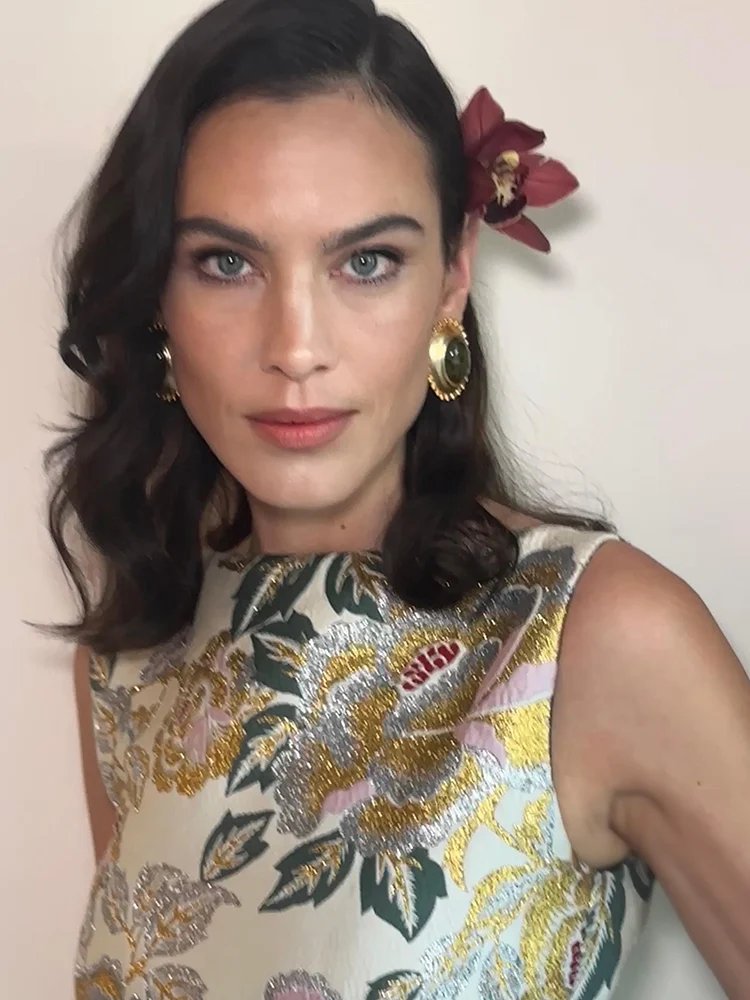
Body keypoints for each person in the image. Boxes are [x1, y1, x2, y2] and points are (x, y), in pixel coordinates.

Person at [42, 0, 749, 997]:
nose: (296, 346)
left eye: (366, 261)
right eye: (226, 263)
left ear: (452, 276)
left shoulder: (591, 636)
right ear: (157, 292)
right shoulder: (130, 660)